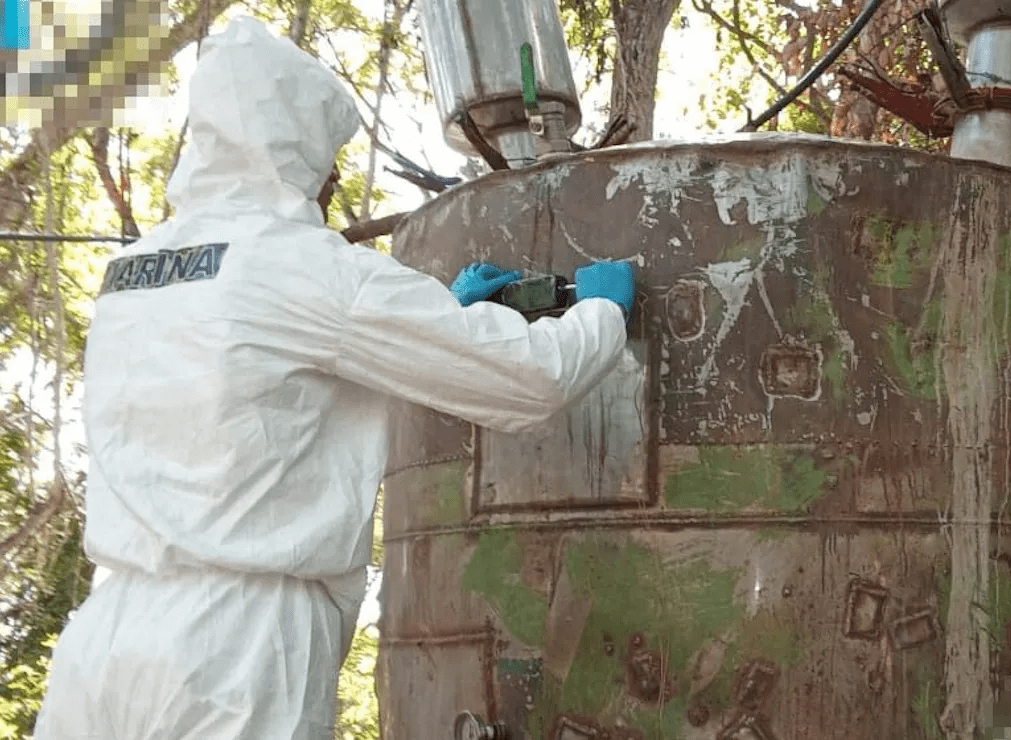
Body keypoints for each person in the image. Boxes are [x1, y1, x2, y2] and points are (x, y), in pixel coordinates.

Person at [33, 16, 633, 740]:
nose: (337, 179)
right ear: (288, 149)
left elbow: (258, 395)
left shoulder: (131, 272)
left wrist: (433, 323)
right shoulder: (303, 266)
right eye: (328, 159)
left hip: (103, 640)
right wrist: (602, 312)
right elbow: (528, 379)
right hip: (235, 654)